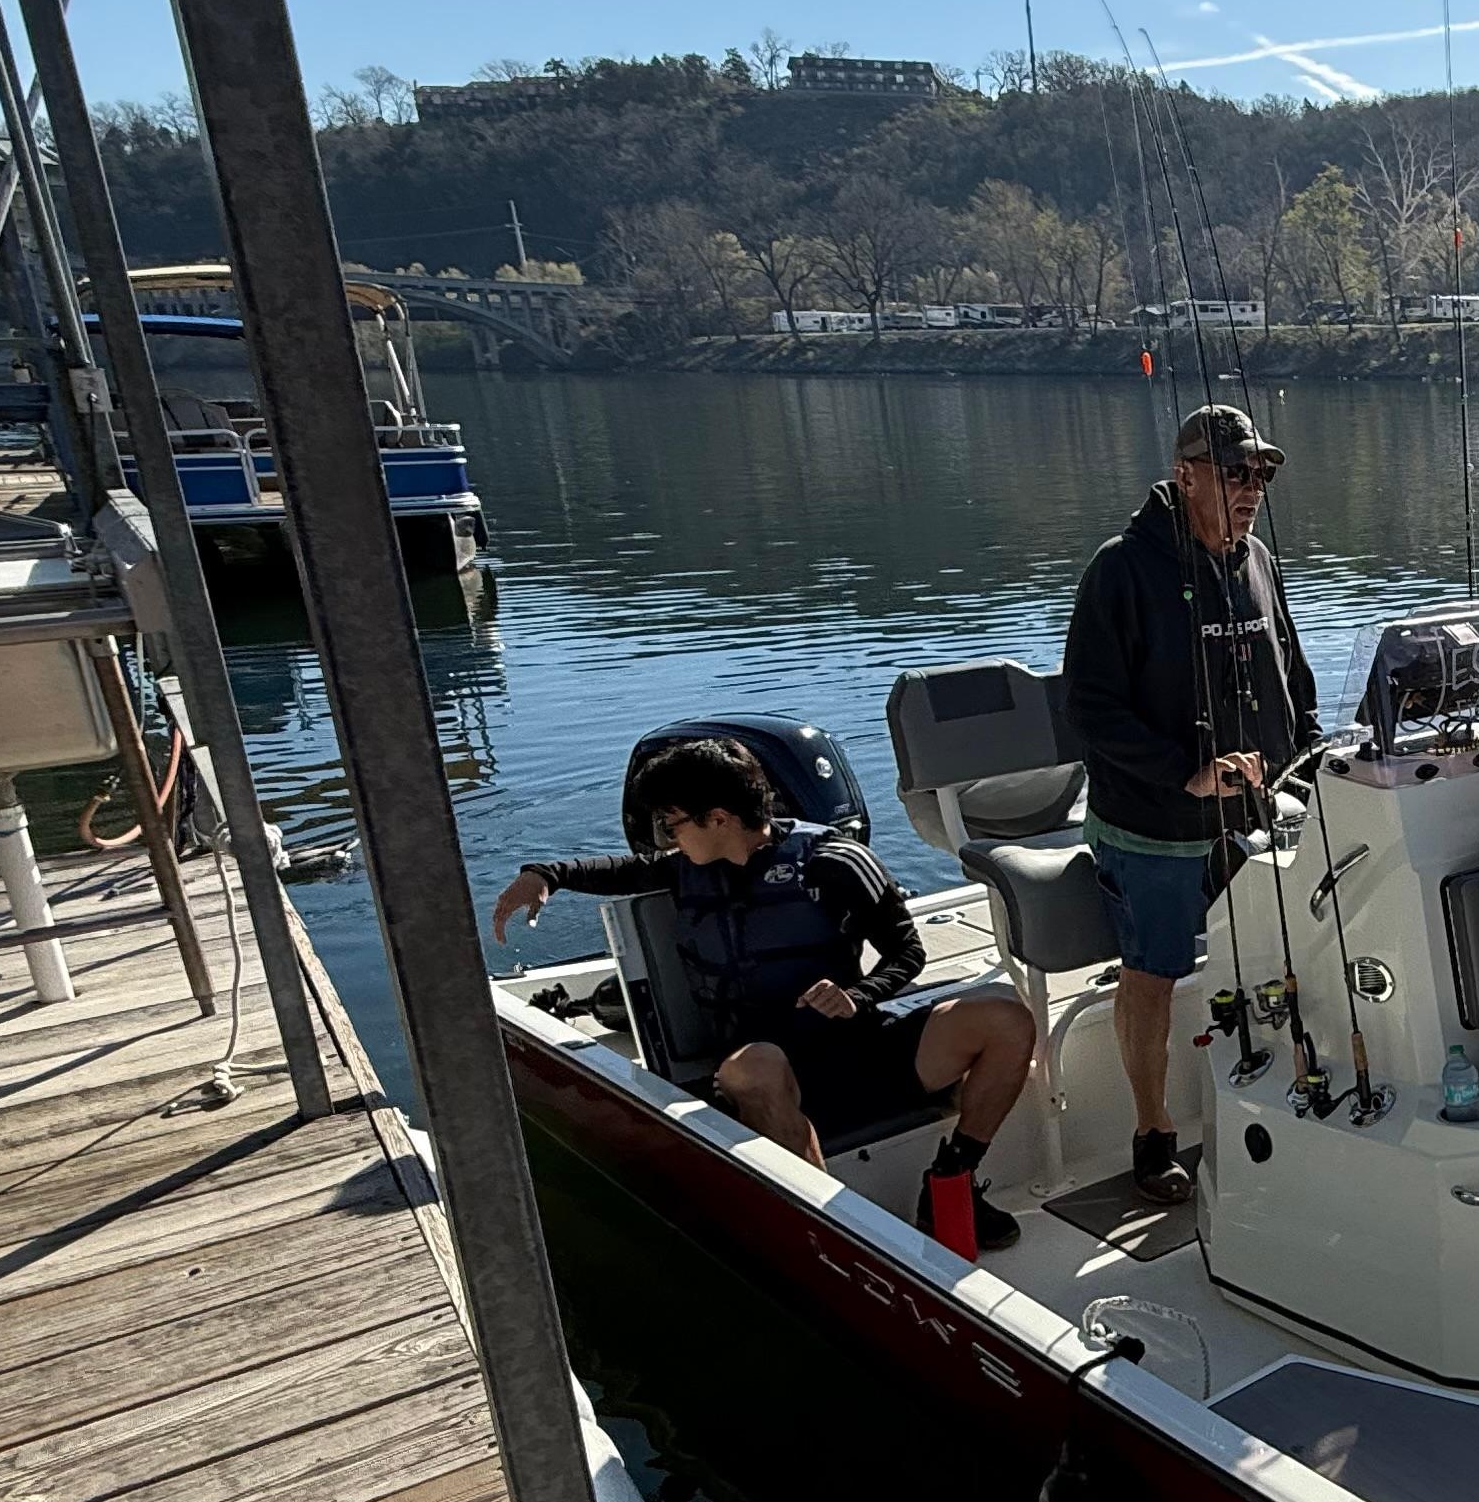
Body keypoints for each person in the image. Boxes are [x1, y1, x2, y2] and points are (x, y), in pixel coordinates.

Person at [493, 735, 1035, 1246]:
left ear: (719, 818)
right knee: (755, 1065)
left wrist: (860, 994)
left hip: (856, 1047)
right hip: (765, 1073)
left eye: (672, 823)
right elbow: (610, 870)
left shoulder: (836, 860)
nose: (667, 837)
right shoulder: (683, 870)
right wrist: (543, 874)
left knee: (1007, 1019)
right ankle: (839, 1230)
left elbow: (907, 954)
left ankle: (950, 1180)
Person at [1062, 399, 1318, 1205]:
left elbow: (1293, 675)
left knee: (1282, 955)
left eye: (1263, 473)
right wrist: (1185, 771)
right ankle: (1152, 1134)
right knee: (1155, 972)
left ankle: (1273, 1108)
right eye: (1237, 472)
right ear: (1186, 475)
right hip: (1155, 823)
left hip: (1253, 813)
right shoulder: (1121, 569)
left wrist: (1307, 758)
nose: (1253, 488)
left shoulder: (1257, 560)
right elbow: (1091, 709)